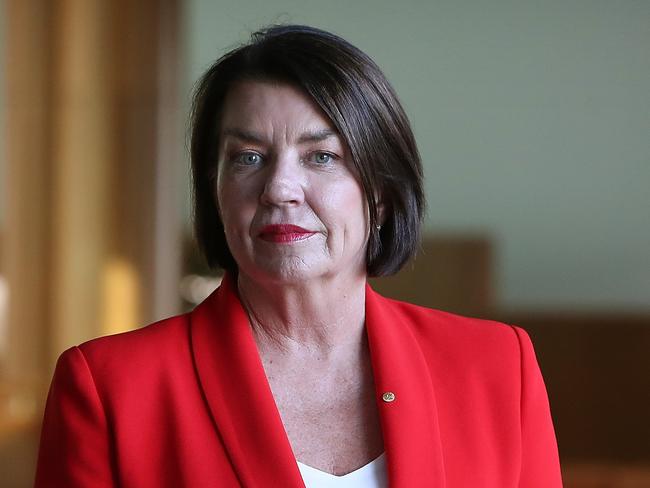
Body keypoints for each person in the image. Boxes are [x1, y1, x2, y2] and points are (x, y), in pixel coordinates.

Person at [34, 25, 562, 487]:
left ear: (379, 191)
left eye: (322, 156)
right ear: (214, 189)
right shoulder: (110, 388)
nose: (280, 188)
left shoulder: (496, 367)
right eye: (249, 157)